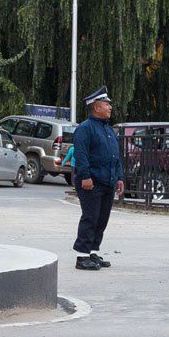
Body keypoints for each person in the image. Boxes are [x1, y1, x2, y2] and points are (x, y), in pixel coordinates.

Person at [71, 86, 124, 271]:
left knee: (102, 219)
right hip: (91, 182)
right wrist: (85, 176)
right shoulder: (85, 128)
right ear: (96, 107)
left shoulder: (108, 130)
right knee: (90, 217)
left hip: (107, 181)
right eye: (106, 103)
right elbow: (81, 154)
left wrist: (119, 177)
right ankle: (82, 256)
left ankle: (93, 252)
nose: (110, 106)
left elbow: (115, 156)